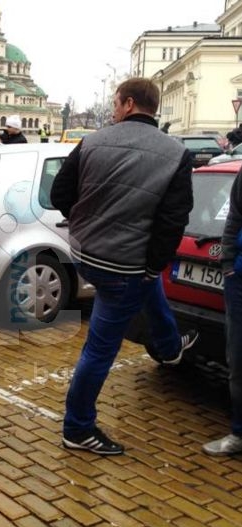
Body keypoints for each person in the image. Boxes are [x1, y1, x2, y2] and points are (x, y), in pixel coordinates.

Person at [50, 78, 198, 456]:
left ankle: (167, 347)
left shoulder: (92, 141)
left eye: (115, 103)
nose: (113, 109)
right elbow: (173, 221)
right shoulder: (176, 152)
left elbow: (59, 195)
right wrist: (153, 265)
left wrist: (86, 223)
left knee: (145, 287)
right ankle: (78, 428)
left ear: (129, 104)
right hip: (126, 266)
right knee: (99, 350)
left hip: (88, 254)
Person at [203, 169, 242, 456]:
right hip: (238, 280)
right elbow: (234, 218)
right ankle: (239, 433)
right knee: (238, 359)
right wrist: (228, 264)